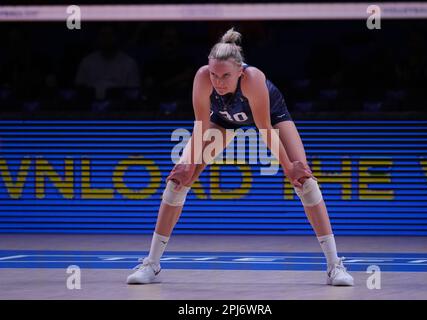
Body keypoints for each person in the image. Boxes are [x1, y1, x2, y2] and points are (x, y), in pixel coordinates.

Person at [127, 28, 354, 286]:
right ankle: (151, 264)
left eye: (225, 76)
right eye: (214, 74)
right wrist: (188, 165)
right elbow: (201, 126)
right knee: (176, 182)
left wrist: (290, 168)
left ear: (240, 72)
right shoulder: (202, 78)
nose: (218, 82)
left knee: (305, 181)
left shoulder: (253, 78)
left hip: (272, 117)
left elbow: (265, 129)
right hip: (222, 120)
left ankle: (335, 266)